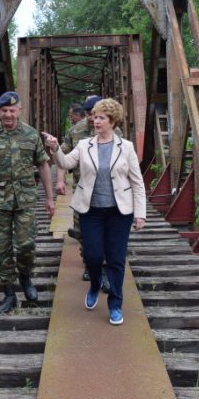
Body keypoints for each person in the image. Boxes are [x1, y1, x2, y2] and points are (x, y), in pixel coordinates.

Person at [43, 98, 146, 326]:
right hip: (91, 210)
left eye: (101, 118)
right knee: (93, 255)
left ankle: (115, 304)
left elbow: (137, 183)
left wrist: (140, 213)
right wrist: (55, 147)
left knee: (116, 259)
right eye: (95, 117)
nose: (95, 121)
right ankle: (95, 283)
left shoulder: (126, 147)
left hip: (119, 212)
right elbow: (65, 163)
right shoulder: (84, 145)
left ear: (112, 121)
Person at [0, 91, 55, 315]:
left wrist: (50, 198)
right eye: (4, 110)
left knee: (26, 244)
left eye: (12, 110)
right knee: (2, 248)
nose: (8, 114)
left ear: (19, 110)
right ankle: (8, 293)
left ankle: (25, 278)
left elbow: (43, 165)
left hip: (25, 199)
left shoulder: (31, 135)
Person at [58, 95, 122, 289]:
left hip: (108, 191)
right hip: (83, 190)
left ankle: (105, 269)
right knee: (82, 231)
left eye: (95, 113)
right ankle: (90, 264)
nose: (91, 117)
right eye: (88, 113)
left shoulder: (115, 131)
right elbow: (63, 156)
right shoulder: (75, 131)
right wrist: (60, 180)